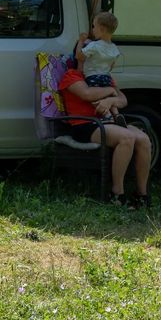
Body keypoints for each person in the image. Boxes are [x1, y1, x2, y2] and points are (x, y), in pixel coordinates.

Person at [58, 67, 152, 209]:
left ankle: (141, 195)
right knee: (126, 138)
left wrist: (109, 101)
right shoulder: (72, 75)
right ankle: (117, 193)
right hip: (84, 124)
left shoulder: (103, 76)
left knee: (143, 139)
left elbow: (123, 100)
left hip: (108, 122)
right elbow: (87, 94)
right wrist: (111, 91)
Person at [76, 11, 124, 124]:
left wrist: (81, 41)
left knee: (95, 98)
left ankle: (107, 116)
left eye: (94, 26)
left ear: (102, 29)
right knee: (107, 96)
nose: (92, 29)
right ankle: (116, 114)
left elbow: (79, 56)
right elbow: (111, 66)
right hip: (106, 77)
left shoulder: (94, 46)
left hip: (93, 77)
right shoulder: (114, 48)